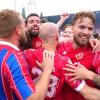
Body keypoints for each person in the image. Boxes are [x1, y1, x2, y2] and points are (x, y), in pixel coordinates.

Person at [24, 22, 100, 100]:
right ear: (57, 37)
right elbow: (87, 93)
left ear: (39, 38)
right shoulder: (65, 62)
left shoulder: (26, 54)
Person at [0, 9, 54, 100]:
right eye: (24, 26)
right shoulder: (13, 58)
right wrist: (47, 70)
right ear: (18, 30)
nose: (25, 29)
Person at [57, 10, 100, 100]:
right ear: (72, 28)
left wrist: (90, 75)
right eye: (82, 27)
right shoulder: (60, 48)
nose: (86, 32)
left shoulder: (96, 51)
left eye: (90, 29)